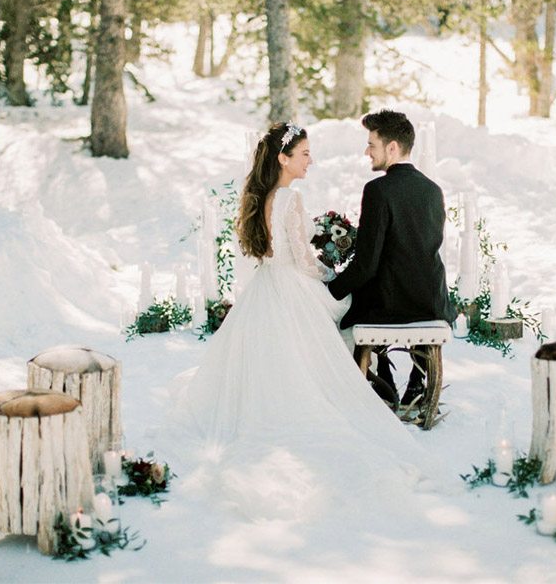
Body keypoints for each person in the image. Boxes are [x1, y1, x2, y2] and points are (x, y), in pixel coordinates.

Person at [166, 122, 447, 520]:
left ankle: (381, 381)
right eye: (304, 154)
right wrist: (331, 277)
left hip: (267, 286)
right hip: (302, 283)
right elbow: (301, 260)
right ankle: (374, 384)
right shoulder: (292, 198)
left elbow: (277, 253)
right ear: (283, 158)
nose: (310, 160)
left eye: (370, 145)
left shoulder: (262, 196)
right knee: (334, 317)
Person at [328, 110, 458, 408]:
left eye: (371, 144)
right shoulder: (433, 190)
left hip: (391, 305)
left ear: (392, 147)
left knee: (348, 305)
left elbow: (366, 264)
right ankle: (416, 378)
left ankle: (382, 380)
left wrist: (332, 289)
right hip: (431, 301)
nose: (366, 151)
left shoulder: (377, 190)